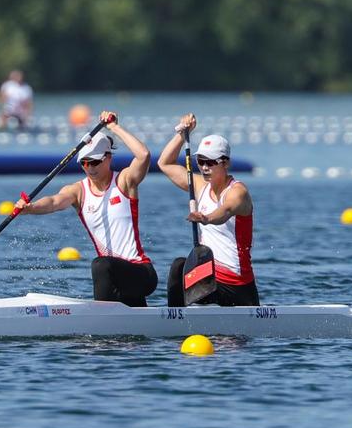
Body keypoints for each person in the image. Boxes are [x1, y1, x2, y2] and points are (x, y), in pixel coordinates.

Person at [14, 111, 157, 307]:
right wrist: (30, 208)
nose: (90, 168)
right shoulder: (78, 191)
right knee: (106, 270)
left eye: (95, 162)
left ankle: (101, 325)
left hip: (141, 273)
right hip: (115, 280)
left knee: (100, 264)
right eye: (85, 163)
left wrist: (114, 127)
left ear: (108, 158)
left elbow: (143, 155)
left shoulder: (124, 181)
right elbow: (55, 201)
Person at [158, 113, 260, 306]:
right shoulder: (199, 186)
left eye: (211, 162)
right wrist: (182, 133)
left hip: (236, 285)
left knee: (182, 267)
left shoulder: (238, 192)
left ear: (226, 163)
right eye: (201, 161)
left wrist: (205, 217)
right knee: (179, 266)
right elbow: (165, 163)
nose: (204, 167)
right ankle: (176, 321)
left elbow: (225, 212)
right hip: (210, 276)